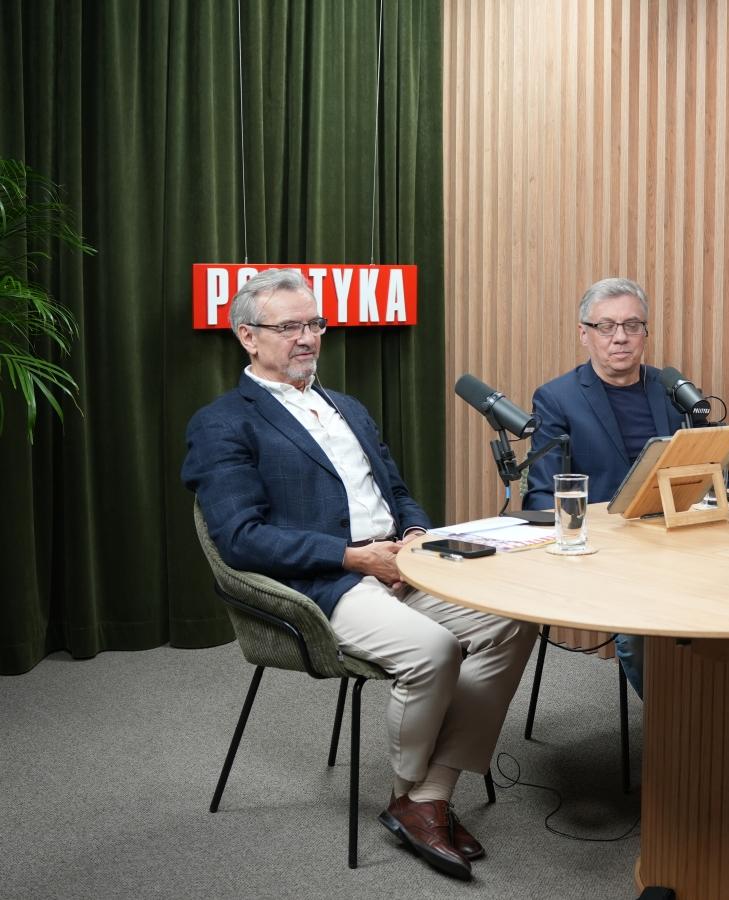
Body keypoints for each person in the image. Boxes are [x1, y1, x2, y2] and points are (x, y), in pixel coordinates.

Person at [183, 269, 536, 882]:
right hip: (324, 584)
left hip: (401, 567)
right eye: (288, 327)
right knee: (433, 650)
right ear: (248, 336)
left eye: (314, 324)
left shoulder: (347, 407)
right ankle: (411, 797)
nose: (306, 338)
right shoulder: (222, 422)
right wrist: (353, 557)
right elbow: (241, 538)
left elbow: (397, 492)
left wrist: (416, 536)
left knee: (513, 620)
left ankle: (427, 796)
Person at [524, 277, 729, 699]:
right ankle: (673, 723)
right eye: (606, 326)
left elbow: (709, 466)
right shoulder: (557, 398)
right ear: (584, 334)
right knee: (639, 635)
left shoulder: (672, 391)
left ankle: (714, 715)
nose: (620, 337)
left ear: (645, 333)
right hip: (610, 551)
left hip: (678, 539)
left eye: (632, 325)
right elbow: (543, 494)